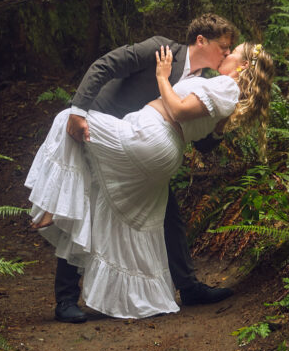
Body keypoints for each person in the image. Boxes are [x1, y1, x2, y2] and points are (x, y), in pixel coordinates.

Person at [25, 40, 274, 320]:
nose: (227, 54)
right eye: (226, 48)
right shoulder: (179, 60)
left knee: (66, 120)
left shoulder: (224, 86)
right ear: (203, 41)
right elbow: (106, 66)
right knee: (121, 218)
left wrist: (161, 77)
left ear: (243, 66)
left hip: (150, 139)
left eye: (233, 51)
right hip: (156, 147)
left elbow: (179, 111)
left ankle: (53, 206)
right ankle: (141, 296)